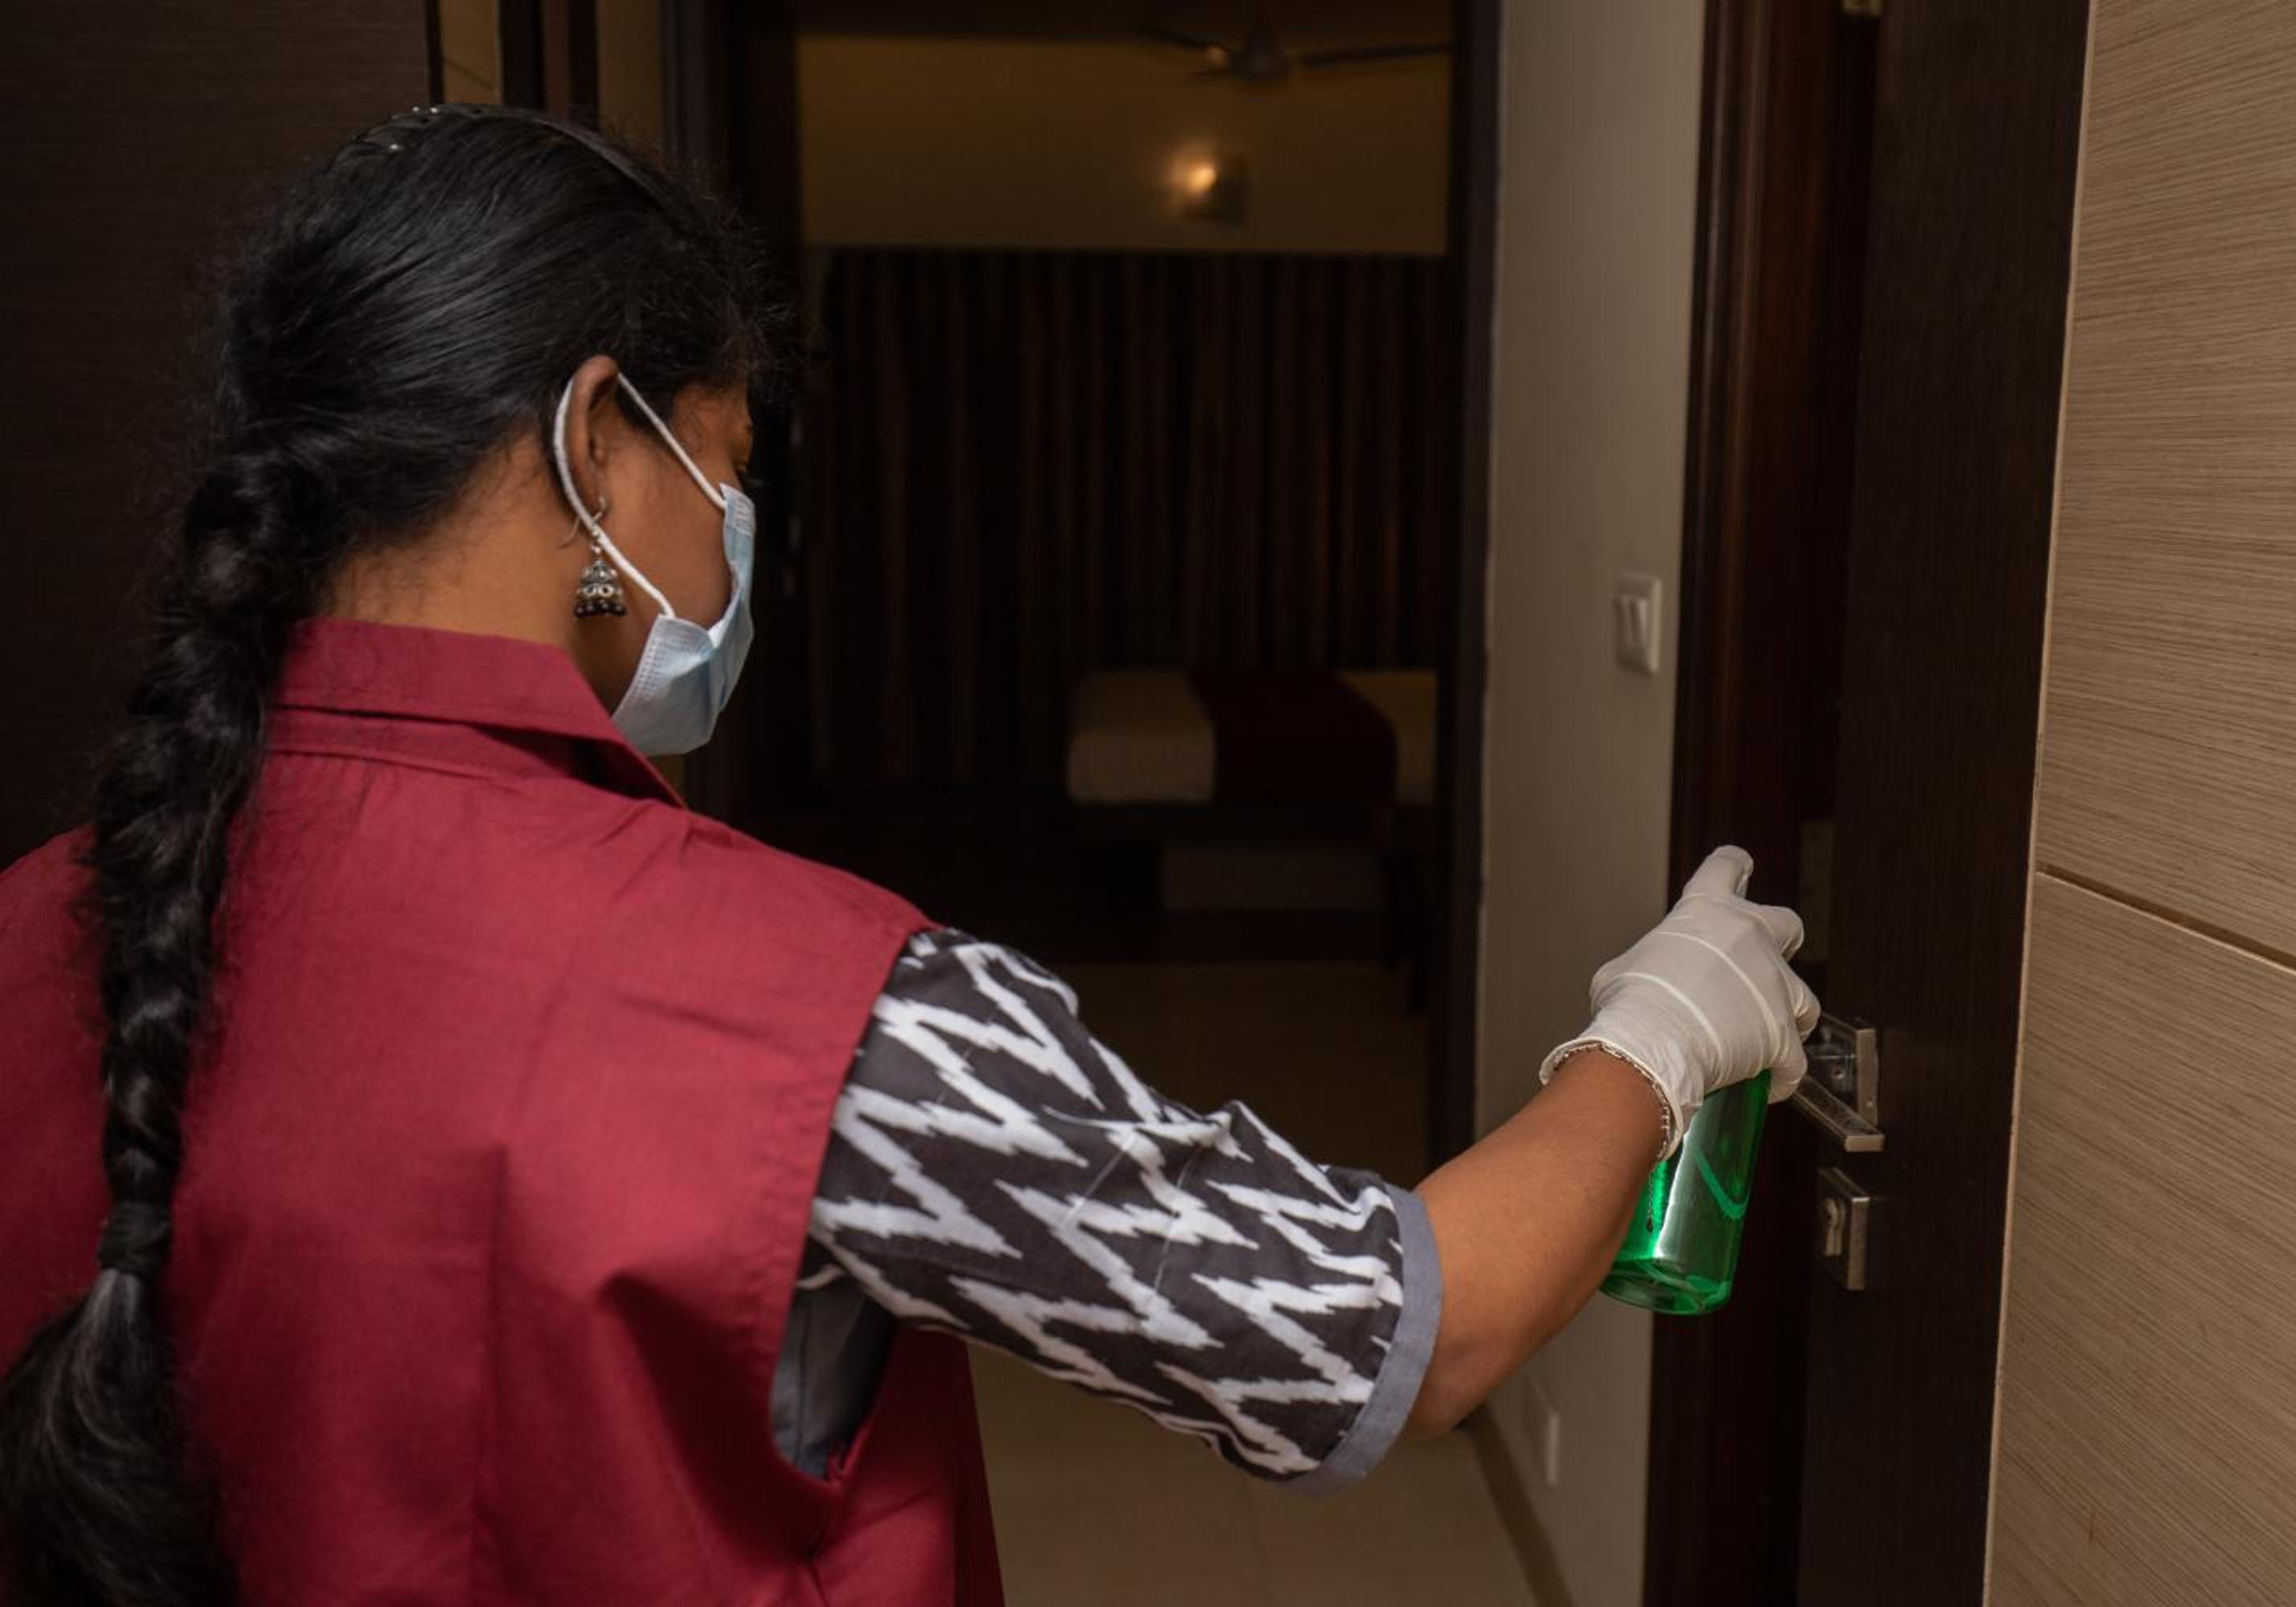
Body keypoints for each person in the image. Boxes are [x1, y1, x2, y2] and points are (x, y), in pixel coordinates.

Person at [0, 107, 1818, 1606]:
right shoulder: (822, 1010)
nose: (734, 540)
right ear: (599, 448)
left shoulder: (43, 918)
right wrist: (1661, 1033)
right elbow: (1399, 1336)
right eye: (727, 468)